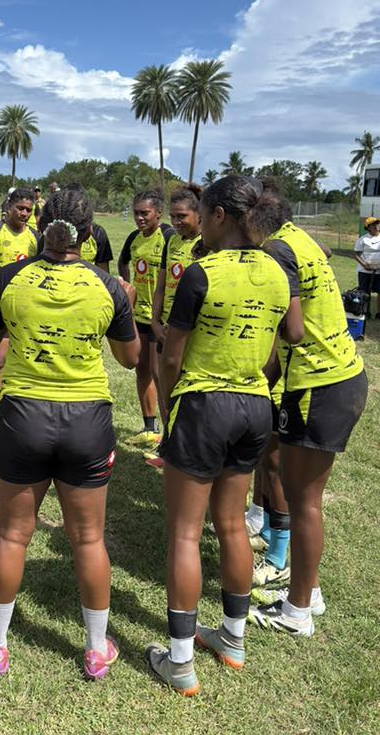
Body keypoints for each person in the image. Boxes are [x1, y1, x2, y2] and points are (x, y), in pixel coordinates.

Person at [0, 188, 140, 679]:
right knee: (88, 539)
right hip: (88, 419)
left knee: (12, 535)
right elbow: (130, 359)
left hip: (24, 417)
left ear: (42, 226)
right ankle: (95, 647)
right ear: (89, 234)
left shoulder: (10, 277)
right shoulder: (107, 285)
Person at [146, 176, 298, 696]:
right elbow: (284, 343)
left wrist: (170, 411)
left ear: (218, 217)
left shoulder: (199, 273)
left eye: (204, 214)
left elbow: (170, 354)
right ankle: (231, 640)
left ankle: (181, 661)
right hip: (255, 408)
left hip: (205, 406)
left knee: (186, 534)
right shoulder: (278, 269)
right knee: (232, 525)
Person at [248, 197, 367, 637]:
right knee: (304, 500)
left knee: (303, 501)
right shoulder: (302, 240)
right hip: (342, 377)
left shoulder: (276, 252)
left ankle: (297, 612)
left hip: (320, 385)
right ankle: (308, 590)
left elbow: (293, 331)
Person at [0, 188, 41, 444]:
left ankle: (21, 413)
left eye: (28, 210)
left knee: (27, 360)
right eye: (20, 208)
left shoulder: (36, 237)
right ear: (9, 206)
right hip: (1, 306)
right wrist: (7, 296)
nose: (24, 213)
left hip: (29, 309)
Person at [118, 189, 174, 442]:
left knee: (158, 372)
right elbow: (122, 262)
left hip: (160, 318)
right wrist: (129, 287)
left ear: (159, 213)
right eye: (136, 213)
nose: (139, 218)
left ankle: (169, 433)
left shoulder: (169, 237)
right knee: (141, 370)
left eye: (145, 213)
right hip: (139, 315)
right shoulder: (134, 238)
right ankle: (150, 428)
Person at [150, 184, 203, 428]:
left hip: (191, 331)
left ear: (199, 214)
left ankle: (185, 437)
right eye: (173, 216)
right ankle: (167, 440)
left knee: (186, 387)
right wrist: (155, 322)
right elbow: (161, 286)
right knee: (162, 380)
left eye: (182, 216)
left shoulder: (208, 244)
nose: (176, 221)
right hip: (166, 327)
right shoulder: (171, 241)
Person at [353, 215, 380, 318]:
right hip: (365, 271)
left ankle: (379, 313)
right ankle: (365, 312)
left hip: (379, 270)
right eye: (373, 224)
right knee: (365, 292)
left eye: (377, 223)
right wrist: (364, 265)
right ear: (368, 227)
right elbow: (356, 254)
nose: (376, 226)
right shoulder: (363, 239)